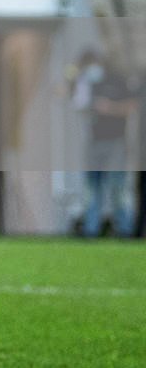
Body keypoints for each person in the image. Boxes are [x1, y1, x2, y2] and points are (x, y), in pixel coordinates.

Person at [77, 51, 138, 238]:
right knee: (92, 185)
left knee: (118, 185)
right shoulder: (90, 83)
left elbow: (131, 106)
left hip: (116, 142)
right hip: (95, 141)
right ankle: (91, 229)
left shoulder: (118, 81)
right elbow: (79, 103)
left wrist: (110, 107)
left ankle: (125, 229)